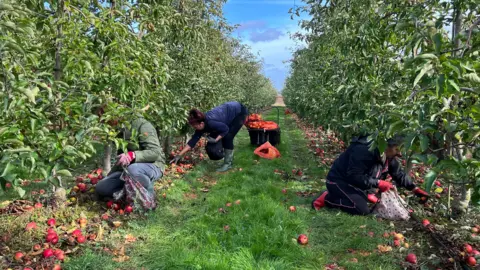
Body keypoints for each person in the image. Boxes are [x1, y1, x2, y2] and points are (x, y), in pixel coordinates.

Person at [312, 135, 429, 215]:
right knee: (361, 209)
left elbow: (398, 173)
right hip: (339, 181)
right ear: (386, 145)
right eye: (397, 149)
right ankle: (327, 198)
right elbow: (353, 176)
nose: (399, 153)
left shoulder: (387, 154)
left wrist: (414, 188)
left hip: (357, 184)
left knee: (368, 202)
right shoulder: (364, 150)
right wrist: (378, 183)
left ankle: (360, 194)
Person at [95, 115, 165, 199]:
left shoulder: (142, 125)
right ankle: (128, 193)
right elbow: (122, 158)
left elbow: (155, 153)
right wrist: (110, 176)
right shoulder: (119, 130)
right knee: (102, 187)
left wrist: (133, 155)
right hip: (129, 170)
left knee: (133, 170)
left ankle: (149, 194)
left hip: (153, 165)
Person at [170, 101, 248, 172]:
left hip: (239, 112)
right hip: (227, 113)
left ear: (201, 124)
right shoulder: (201, 126)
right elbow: (192, 141)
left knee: (227, 137)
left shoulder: (211, 123)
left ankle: (228, 164)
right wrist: (179, 155)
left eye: (195, 126)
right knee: (211, 147)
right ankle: (226, 157)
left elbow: (225, 129)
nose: (195, 128)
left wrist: (216, 139)